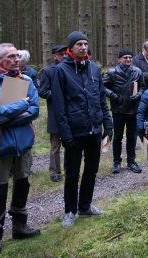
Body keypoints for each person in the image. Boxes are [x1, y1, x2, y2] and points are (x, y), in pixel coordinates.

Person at [0, 43, 41, 257]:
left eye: (17, 56)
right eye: (11, 56)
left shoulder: (26, 80)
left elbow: (35, 110)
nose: (16, 59)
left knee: (22, 185)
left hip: (23, 144)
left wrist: (9, 115)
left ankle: (20, 227)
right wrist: (21, 106)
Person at [51, 31, 114, 228]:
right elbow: (59, 107)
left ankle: (85, 205)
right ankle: (70, 210)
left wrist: (108, 124)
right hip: (74, 132)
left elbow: (101, 99)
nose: (83, 47)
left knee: (91, 170)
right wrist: (65, 134)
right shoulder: (61, 71)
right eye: (79, 44)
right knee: (72, 174)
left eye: (85, 44)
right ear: (71, 48)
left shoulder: (94, 69)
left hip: (94, 129)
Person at [103, 48, 144, 174]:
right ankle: (116, 162)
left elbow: (142, 87)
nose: (128, 59)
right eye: (125, 57)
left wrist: (138, 95)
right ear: (120, 59)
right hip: (118, 110)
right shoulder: (112, 72)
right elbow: (102, 86)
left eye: (130, 57)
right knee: (118, 137)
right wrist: (114, 96)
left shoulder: (137, 71)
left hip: (133, 109)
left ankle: (131, 161)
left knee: (132, 137)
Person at [38, 44, 68, 183]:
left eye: (66, 54)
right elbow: (43, 92)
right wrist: (58, 95)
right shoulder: (47, 71)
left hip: (71, 114)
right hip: (55, 114)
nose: (64, 56)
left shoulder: (71, 69)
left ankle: (70, 169)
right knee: (55, 146)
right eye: (61, 54)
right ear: (54, 56)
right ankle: (55, 172)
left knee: (71, 144)